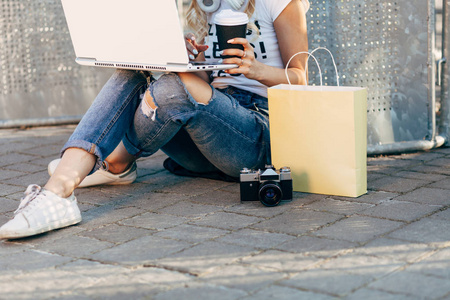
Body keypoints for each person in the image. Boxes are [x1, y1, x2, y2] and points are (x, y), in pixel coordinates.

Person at [0, 0, 309, 239]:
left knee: (173, 88)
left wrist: (255, 70)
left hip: (255, 133)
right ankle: (58, 192)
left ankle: (113, 165)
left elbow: (302, 77)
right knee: (133, 66)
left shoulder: (280, 2)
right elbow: (203, 85)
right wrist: (192, 61)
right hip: (207, 139)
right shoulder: (206, 5)